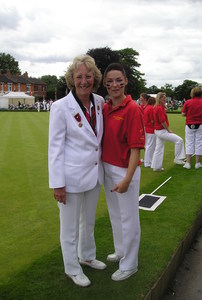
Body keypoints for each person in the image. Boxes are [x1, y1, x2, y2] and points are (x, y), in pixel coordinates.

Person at [48, 54, 106, 288]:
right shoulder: (61, 107)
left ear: (95, 78)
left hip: (94, 176)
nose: (84, 81)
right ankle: (72, 268)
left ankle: (87, 256)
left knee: (88, 222)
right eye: (79, 76)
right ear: (72, 79)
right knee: (69, 228)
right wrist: (58, 183)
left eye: (88, 76)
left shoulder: (100, 102)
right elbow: (55, 148)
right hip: (70, 179)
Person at [102, 63, 145, 281]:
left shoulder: (133, 109)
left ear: (126, 81)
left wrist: (127, 179)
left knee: (129, 218)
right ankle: (120, 251)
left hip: (125, 170)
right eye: (109, 81)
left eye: (119, 80)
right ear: (105, 84)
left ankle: (130, 264)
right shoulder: (106, 107)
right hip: (107, 168)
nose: (114, 85)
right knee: (115, 215)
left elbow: (136, 148)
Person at [151, 92, 185, 171]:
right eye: (163, 99)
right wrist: (168, 130)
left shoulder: (157, 107)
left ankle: (156, 167)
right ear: (159, 99)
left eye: (165, 99)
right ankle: (178, 159)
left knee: (158, 148)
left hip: (158, 130)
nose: (165, 100)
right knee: (179, 140)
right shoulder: (159, 108)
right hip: (161, 131)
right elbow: (162, 121)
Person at [182, 86, 202, 169]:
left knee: (189, 143)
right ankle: (197, 163)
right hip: (201, 124)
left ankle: (188, 163)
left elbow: (183, 114)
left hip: (189, 124)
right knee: (199, 143)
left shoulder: (188, 102)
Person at [143, 96, 156, 167]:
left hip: (147, 128)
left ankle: (147, 161)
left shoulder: (146, 107)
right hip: (150, 129)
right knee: (150, 146)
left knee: (148, 145)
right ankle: (148, 162)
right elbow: (152, 120)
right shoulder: (150, 108)